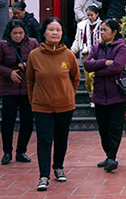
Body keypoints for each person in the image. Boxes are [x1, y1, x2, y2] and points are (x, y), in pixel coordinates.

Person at [27, 17, 80, 191]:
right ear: (44, 33)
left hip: (65, 106)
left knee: (61, 138)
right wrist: (34, 100)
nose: (54, 33)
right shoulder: (34, 55)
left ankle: (58, 167)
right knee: (44, 140)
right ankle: (43, 176)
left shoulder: (69, 55)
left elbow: (75, 79)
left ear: (62, 33)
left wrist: (68, 94)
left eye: (58, 30)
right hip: (41, 107)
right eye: (51, 29)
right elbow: (30, 80)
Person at [84, 18, 126, 173]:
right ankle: (109, 155)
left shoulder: (121, 47)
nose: (102, 33)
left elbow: (117, 66)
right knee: (103, 129)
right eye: (101, 30)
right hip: (99, 95)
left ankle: (112, 157)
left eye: (105, 30)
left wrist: (98, 69)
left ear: (114, 32)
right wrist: (104, 63)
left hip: (117, 94)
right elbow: (87, 65)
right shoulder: (97, 47)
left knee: (114, 128)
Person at [0, 19, 39, 165]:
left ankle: (21, 151)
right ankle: (7, 152)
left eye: (20, 33)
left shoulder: (33, 43)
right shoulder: (3, 45)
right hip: (9, 90)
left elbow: (40, 61)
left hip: (27, 89)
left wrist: (27, 65)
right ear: (9, 33)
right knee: (7, 122)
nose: (18, 36)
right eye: (15, 33)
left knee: (27, 122)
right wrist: (9, 72)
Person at [70, 5, 102, 106]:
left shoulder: (102, 26)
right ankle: (91, 95)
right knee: (88, 78)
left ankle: (96, 98)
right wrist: (72, 51)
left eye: (91, 15)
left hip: (99, 54)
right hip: (86, 54)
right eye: (88, 15)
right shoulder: (81, 26)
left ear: (97, 14)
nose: (90, 17)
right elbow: (77, 40)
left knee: (95, 76)